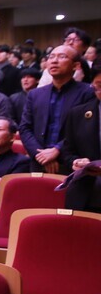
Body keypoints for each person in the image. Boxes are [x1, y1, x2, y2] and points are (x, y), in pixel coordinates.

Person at [20, 45, 94, 174]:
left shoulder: (87, 92)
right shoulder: (35, 94)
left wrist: (57, 150)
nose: (54, 61)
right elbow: (25, 128)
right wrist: (41, 155)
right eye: (51, 57)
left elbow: (85, 130)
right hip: (39, 162)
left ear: (75, 66)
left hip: (72, 163)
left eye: (62, 57)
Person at [60, 65, 101, 212]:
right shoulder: (78, 114)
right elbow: (68, 151)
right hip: (86, 193)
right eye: (99, 86)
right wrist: (76, 161)